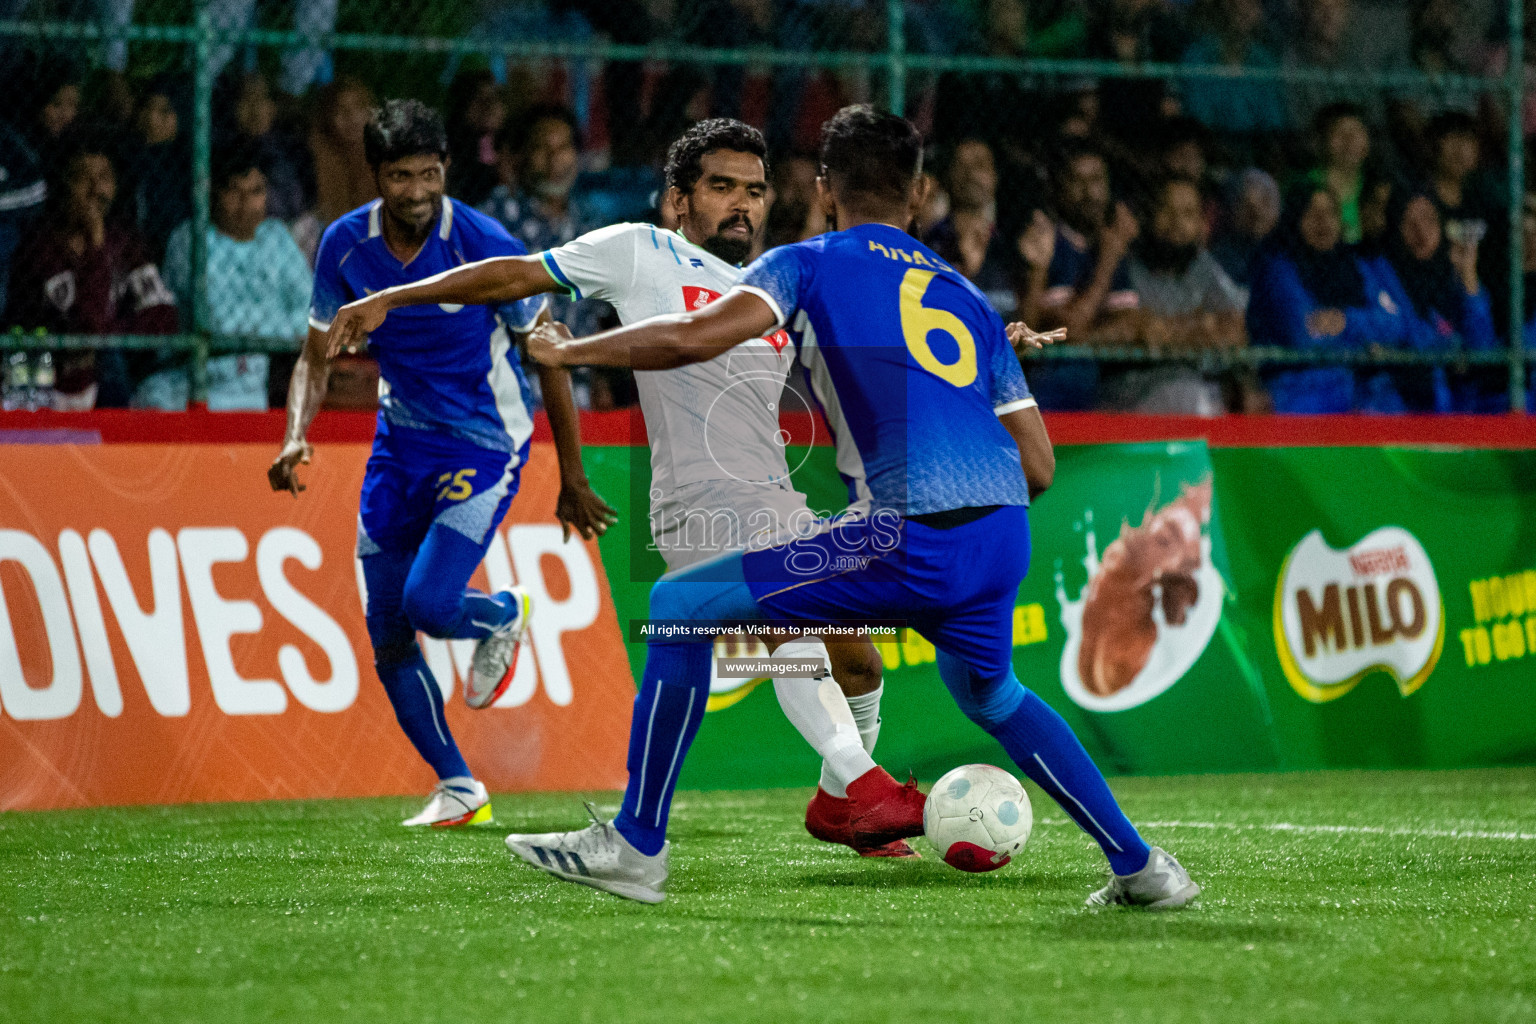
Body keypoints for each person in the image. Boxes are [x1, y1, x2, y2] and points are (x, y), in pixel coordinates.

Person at [495, 105, 1197, 910]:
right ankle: (1143, 868)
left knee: (680, 603)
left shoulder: (805, 263)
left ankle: (635, 845)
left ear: (825, 189)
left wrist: (568, 349)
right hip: (1001, 536)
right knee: (991, 694)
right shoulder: (966, 294)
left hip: (904, 534)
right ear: (922, 193)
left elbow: (690, 338)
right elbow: (1037, 467)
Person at [323, 118, 917, 860]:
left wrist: (979, 347)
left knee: (856, 661)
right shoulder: (640, 252)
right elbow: (513, 275)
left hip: (776, 497)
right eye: (722, 187)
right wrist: (398, 296)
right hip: (701, 504)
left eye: (756, 191)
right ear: (678, 199)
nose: (742, 205)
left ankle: (838, 803)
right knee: (787, 635)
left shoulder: (774, 286)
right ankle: (866, 791)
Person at [266, 99, 613, 828]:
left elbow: (546, 356)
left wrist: (573, 476)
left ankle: (502, 613)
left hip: (484, 443)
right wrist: (296, 433)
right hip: (399, 444)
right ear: (377, 176)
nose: (417, 190)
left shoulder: (486, 244)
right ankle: (458, 785)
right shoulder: (343, 245)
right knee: (387, 629)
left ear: (448, 168)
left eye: (430, 173)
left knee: (428, 602)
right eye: (401, 175)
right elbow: (315, 353)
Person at [7, 139, 177, 408]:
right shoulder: (41, 249)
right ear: (62, 185)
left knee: (110, 356)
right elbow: (83, 327)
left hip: (109, 371)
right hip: (47, 376)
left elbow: (162, 317)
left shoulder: (126, 243)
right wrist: (96, 245)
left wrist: (111, 335)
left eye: (105, 178)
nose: (96, 190)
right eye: (83, 179)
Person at [143, 146, 312, 410]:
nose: (246, 203)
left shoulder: (276, 237)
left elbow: (311, 311)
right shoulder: (191, 238)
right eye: (234, 191)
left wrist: (256, 328)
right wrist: (278, 327)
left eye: (256, 191)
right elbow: (218, 321)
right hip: (193, 381)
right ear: (213, 192)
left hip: (252, 389)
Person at [1246, 185, 1415, 413]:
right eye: (1312, 213)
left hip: (1363, 395)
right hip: (1300, 396)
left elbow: (1397, 325)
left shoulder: (1357, 267)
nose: (1323, 221)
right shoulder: (1279, 271)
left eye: (1331, 213)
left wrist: (1347, 321)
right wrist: (1367, 344)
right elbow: (1306, 336)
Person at [1021, 141, 1141, 410]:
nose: (1090, 192)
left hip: (1104, 373)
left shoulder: (1109, 242)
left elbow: (1130, 324)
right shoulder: (1050, 242)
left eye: (1097, 180)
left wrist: (1090, 339)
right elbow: (1068, 329)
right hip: (1050, 375)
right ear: (1060, 189)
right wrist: (1107, 264)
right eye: (1078, 181)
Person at [1112, 177, 1247, 414]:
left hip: (1196, 388)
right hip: (1133, 390)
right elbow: (1144, 331)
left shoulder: (1203, 266)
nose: (1177, 223)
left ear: (1200, 222)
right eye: (1168, 211)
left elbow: (1234, 329)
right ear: (1151, 215)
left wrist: (1170, 328)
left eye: (1187, 213)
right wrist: (1200, 324)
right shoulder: (1126, 266)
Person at [1373, 185, 1498, 411]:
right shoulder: (1377, 274)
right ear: (1395, 227)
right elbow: (1394, 334)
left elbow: (1482, 348)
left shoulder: (1454, 278)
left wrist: (1468, 275)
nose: (1421, 232)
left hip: (1454, 411)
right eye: (1409, 223)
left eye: (1429, 220)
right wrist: (1452, 350)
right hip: (1394, 408)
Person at [924, 138, 1023, 318]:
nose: (970, 174)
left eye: (979, 164)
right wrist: (969, 270)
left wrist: (1038, 271)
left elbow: (1028, 325)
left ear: (995, 174)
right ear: (947, 176)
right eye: (960, 166)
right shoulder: (930, 241)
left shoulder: (1014, 241)